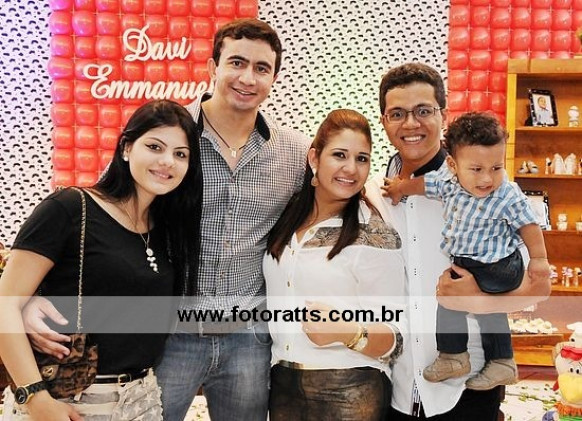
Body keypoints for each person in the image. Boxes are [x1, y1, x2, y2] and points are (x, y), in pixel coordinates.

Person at [21, 18, 308, 421]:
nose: (248, 77)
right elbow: (107, 215)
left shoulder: (295, 153)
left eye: (262, 68)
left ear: (274, 78)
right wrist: (27, 300)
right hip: (170, 333)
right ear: (212, 67)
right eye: (236, 62)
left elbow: (333, 204)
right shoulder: (170, 134)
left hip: (248, 337)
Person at [364, 62, 551, 420]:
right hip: (395, 385)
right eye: (397, 113)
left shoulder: (489, 187)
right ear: (384, 121)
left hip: (469, 387)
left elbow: (538, 288)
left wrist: (480, 300)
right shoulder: (374, 195)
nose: (411, 124)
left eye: (423, 111)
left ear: (443, 115)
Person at [0, 99, 203, 420]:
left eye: (181, 154)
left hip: (142, 400)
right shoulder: (70, 207)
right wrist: (35, 397)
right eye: (154, 146)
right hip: (69, 398)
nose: (167, 161)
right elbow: (5, 303)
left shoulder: (167, 230)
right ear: (126, 148)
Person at [384, 111, 550, 390]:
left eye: (496, 168)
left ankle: (474, 358)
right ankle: (478, 358)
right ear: (453, 165)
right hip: (468, 262)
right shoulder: (448, 183)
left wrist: (539, 259)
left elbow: (528, 225)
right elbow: (423, 185)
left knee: (464, 302)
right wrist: (401, 188)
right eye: (476, 169)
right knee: (459, 303)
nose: (487, 179)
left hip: (500, 264)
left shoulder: (506, 193)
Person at [264, 109, 405, 420]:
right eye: (339, 155)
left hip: (350, 388)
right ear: (315, 158)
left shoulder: (373, 232)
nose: (351, 168)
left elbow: (398, 337)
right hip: (284, 385)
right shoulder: (287, 217)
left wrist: (349, 332)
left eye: (362, 159)